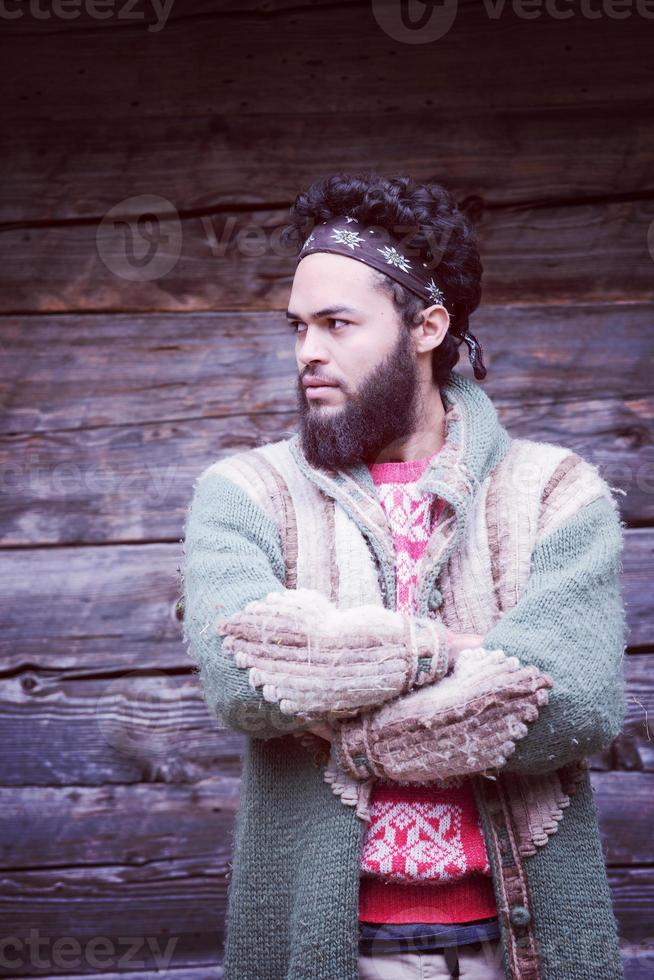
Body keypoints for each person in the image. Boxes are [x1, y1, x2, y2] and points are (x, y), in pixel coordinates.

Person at [180, 173, 627, 980]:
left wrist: (337, 709)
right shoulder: (245, 495)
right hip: (330, 948)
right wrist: (441, 654)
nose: (306, 351)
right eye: (298, 326)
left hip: (519, 946)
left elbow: (575, 702)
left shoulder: (556, 494)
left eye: (337, 323)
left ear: (426, 326)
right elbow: (241, 673)